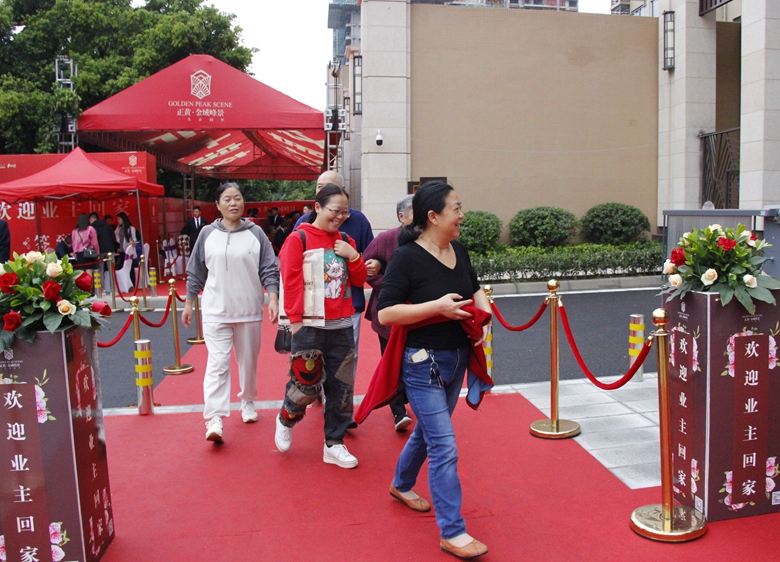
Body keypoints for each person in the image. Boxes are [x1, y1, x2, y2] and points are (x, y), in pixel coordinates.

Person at [375, 181, 492, 559]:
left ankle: (401, 483)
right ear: (433, 216)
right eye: (456, 208)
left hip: (457, 357)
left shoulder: (459, 249)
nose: (461, 215)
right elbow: (386, 313)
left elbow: (475, 288)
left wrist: (484, 317)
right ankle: (452, 531)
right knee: (444, 444)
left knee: (428, 432)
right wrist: (436, 308)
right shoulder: (406, 257)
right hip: (421, 363)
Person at [274, 184, 367, 468]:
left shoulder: (346, 240)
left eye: (344, 212)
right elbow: (290, 281)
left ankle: (334, 443)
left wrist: (353, 256)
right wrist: (296, 322)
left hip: (342, 325)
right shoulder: (298, 239)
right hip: (309, 326)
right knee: (305, 385)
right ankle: (287, 417)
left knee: (342, 388)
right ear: (317, 207)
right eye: (335, 211)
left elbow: (359, 280)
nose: (340, 217)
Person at [182, 182, 279, 443]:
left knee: (248, 362)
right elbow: (196, 270)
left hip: (248, 309)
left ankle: (247, 400)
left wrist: (273, 297)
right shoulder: (206, 234)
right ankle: (214, 417)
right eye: (227, 199)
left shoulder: (256, 233)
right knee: (217, 363)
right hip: (215, 309)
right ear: (217, 205)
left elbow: (269, 268)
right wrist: (189, 302)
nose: (233, 203)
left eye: (237, 198)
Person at [294, 171, 376, 395]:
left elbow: (369, 257)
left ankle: (340, 402)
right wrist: (294, 318)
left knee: (345, 360)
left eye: (329, 186)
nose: (324, 190)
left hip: (347, 308)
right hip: (312, 311)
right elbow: (291, 275)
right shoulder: (302, 227)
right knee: (312, 363)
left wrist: (357, 258)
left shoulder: (356, 224)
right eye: (319, 186)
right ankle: (317, 393)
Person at [362, 194, 415, 431]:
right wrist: (390, 284)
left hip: (418, 314)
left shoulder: (429, 238)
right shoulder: (385, 239)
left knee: (413, 360)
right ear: (401, 216)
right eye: (415, 211)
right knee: (391, 361)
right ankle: (398, 411)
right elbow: (365, 267)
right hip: (388, 314)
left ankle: (406, 396)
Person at [89, 212, 119, 293]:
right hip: (110, 250)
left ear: (91, 219)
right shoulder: (108, 226)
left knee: (100, 270)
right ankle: (113, 288)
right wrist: (114, 248)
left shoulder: (92, 228)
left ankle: (101, 289)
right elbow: (113, 238)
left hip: (100, 251)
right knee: (111, 269)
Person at [115, 212, 139, 287]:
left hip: (128, 250)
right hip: (122, 250)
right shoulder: (119, 228)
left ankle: (132, 284)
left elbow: (134, 239)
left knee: (130, 267)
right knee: (122, 266)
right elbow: (116, 235)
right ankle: (124, 284)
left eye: (119, 219)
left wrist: (131, 243)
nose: (118, 221)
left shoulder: (131, 228)